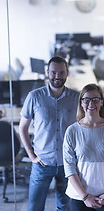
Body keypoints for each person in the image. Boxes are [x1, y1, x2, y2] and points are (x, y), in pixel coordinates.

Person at [19, 56, 79, 211]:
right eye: (53, 72)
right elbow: (23, 128)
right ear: (47, 72)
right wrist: (32, 156)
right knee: (35, 207)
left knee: (65, 206)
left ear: (67, 73)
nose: (57, 76)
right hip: (42, 162)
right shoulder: (34, 97)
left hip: (68, 162)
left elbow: (83, 127)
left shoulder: (76, 98)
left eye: (61, 72)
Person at [63, 83, 104, 211]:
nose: (91, 104)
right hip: (79, 196)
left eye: (95, 99)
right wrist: (85, 197)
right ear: (81, 102)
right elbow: (69, 168)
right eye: (87, 99)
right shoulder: (72, 131)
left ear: (101, 102)